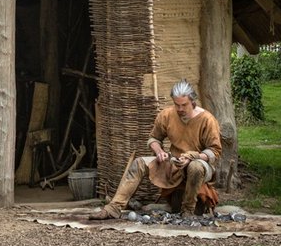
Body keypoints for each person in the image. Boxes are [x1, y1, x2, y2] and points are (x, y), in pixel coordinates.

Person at [90, 80, 222, 219]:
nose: (180, 109)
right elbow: (153, 139)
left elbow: (214, 151)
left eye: (184, 105)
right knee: (139, 163)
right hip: (174, 163)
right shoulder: (166, 115)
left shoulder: (207, 119)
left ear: (193, 101)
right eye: (177, 105)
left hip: (200, 164)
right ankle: (113, 208)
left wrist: (193, 158)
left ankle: (188, 210)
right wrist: (159, 151)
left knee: (195, 167)